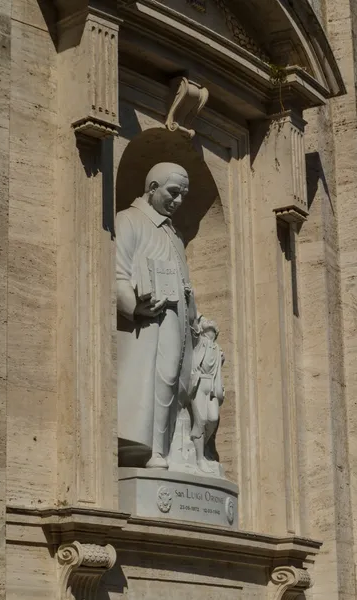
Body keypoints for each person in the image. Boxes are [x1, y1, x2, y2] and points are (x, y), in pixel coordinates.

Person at [116, 163, 197, 469]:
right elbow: (117, 272)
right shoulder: (129, 220)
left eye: (183, 195)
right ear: (152, 189)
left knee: (174, 381)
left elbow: (184, 280)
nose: (178, 201)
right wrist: (134, 306)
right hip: (147, 323)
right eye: (173, 192)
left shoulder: (173, 233)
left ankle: (166, 449)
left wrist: (194, 317)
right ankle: (152, 452)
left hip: (177, 322)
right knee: (156, 380)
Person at [189, 316, 225, 473]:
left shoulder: (217, 349)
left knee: (213, 418)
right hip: (198, 383)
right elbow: (193, 331)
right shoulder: (199, 342)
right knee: (201, 419)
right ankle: (199, 458)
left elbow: (217, 365)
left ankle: (200, 445)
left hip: (211, 386)